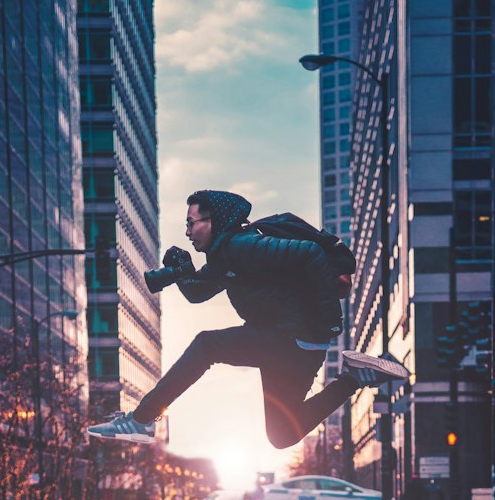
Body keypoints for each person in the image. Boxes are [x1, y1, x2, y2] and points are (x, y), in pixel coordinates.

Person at [87, 189, 408, 447]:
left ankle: (142, 419)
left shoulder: (243, 245)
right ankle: (353, 378)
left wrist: (330, 318)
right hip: (295, 347)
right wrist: (183, 272)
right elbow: (199, 293)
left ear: (216, 220)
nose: (187, 231)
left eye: (192, 222)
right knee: (282, 435)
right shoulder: (227, 254)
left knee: (207, 345)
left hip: (291, 339)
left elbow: (308, 255)